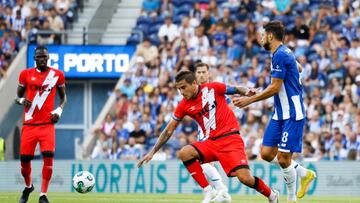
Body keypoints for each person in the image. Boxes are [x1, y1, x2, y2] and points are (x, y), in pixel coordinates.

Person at [138, 70, 279, 203]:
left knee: (245, 178)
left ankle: (272, 195)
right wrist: (152, 152)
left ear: (194, 83)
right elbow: (169, 131)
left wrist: (248, 92)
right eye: (178, 89)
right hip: (211, 143)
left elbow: (236, 89)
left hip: (230, 139)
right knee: (185, 153)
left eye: (183, 87)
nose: (181, 92)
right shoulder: (183, 105)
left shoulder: (214, 87)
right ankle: (208, 190)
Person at [232, 21, 316, 203]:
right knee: (266, 154)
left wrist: (249, 101)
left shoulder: (279, 55)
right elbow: (298, 68)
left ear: (270, 36)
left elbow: (275, 88)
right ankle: (303, 173)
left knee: (284, 158)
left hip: (292, 112)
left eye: (263, 35)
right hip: (280, 112)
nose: (261, 39)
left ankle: (291, 199)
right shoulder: (283, 52)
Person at [15, 46, 67, 203]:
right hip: (29, 125)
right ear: (34, 59)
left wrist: (59, 110)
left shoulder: (57, 75)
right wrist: (22, 100)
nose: (42, 59)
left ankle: (43, 195)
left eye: (45, 57)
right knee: (24, 161)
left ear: (48, 58)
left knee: (48, 157)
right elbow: (17, 97)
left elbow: (64, 98)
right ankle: (28, 186)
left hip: (47, 125)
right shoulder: (25, 74)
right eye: (39, 57)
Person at [194, 62, 231, 202]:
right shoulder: (194, 91)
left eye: (204, 72)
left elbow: (228, 105)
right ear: (195, 75)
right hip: (202, 130)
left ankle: (219, 190)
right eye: (199, 72)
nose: (202, 75)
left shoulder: (215, 89)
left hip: (214, 130)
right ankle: (222, 193)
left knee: (202, 162)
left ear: (208, 73)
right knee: (203, 164)